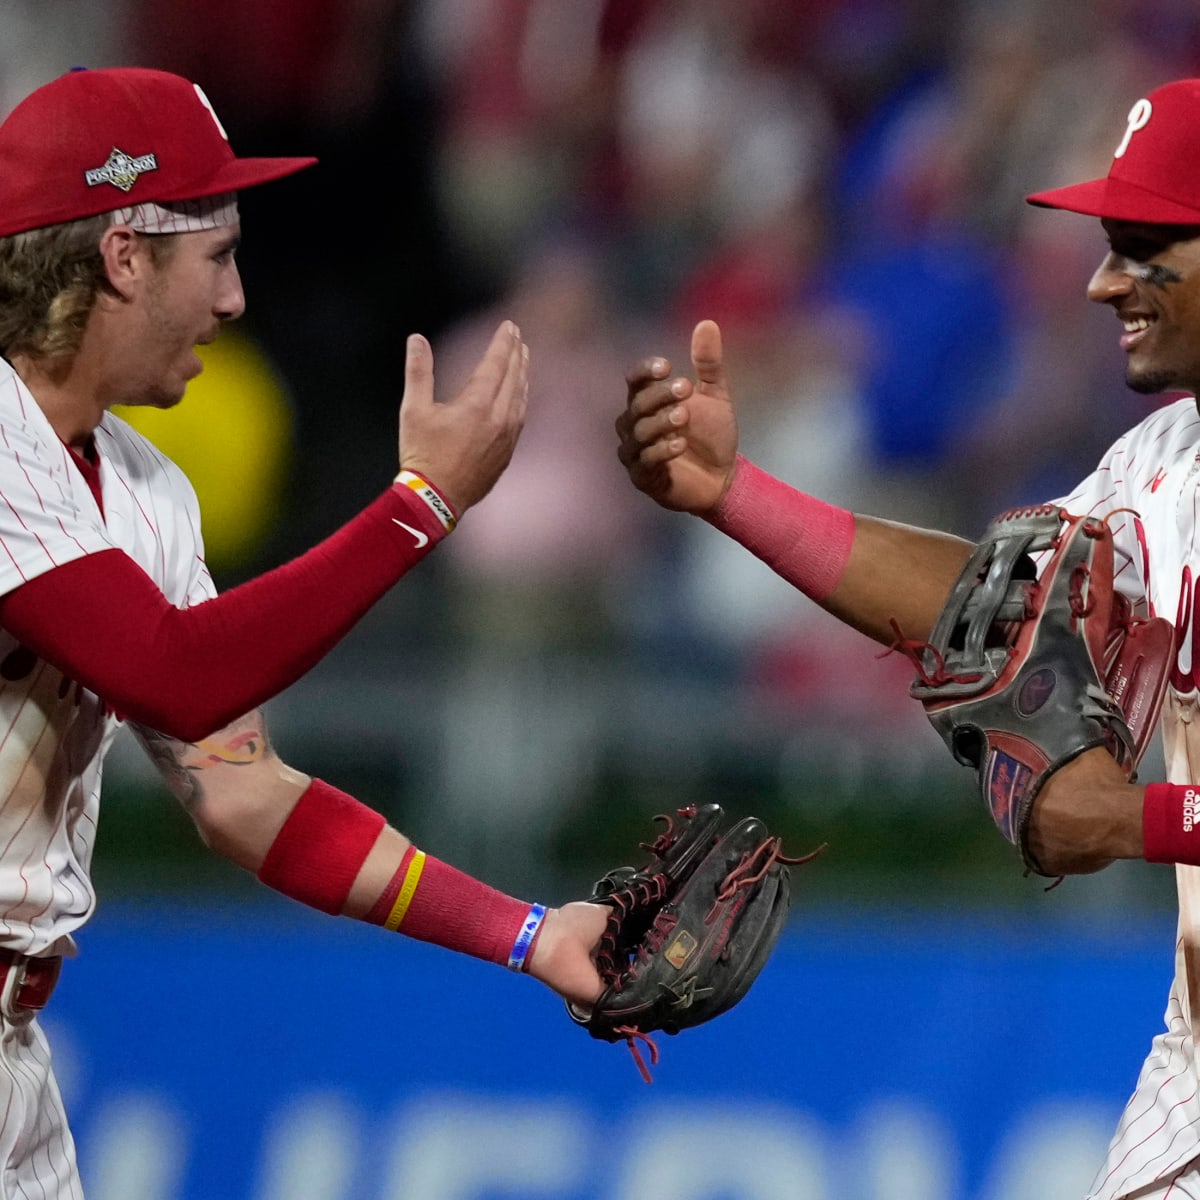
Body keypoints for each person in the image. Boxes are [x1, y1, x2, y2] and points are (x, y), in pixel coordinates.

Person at [0, 65, 606, 1197]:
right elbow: (170, 674)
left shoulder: (143, 488)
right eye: (217, 253)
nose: (235, 299)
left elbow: (241, 790)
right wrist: (419, 506)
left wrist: (525, 935)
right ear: (122, 254)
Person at [616, 76, 1200, 1200]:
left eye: (1141, 245)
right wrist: (734, 497)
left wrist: (1133, 819)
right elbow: (996, 600)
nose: (1101, 279)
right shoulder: (1166, 461)